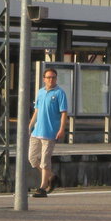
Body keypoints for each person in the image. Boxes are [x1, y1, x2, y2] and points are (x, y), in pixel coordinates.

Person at [29, 68, 68, 198]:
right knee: (32, 158)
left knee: (45, 160)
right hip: (37, 131)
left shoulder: (60, 93)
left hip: (50, 132)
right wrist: (30, 125)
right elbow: (37, 111)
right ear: (44, 78)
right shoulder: (40, 92)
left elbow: (63, 113)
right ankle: (52, 177)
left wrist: (62, 129)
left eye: (53, 77)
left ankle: (42, 187)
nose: (51, 80)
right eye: (49, 77)